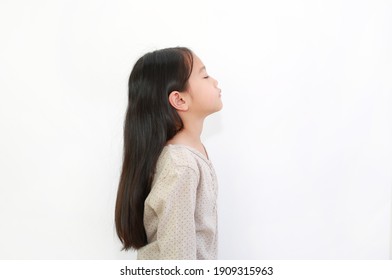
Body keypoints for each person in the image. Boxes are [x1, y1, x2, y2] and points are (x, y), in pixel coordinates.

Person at [115, 47, 222, 259]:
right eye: (205, 75)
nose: (215, 81)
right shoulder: (182, 166)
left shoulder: (190, 156)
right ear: (180, 100)